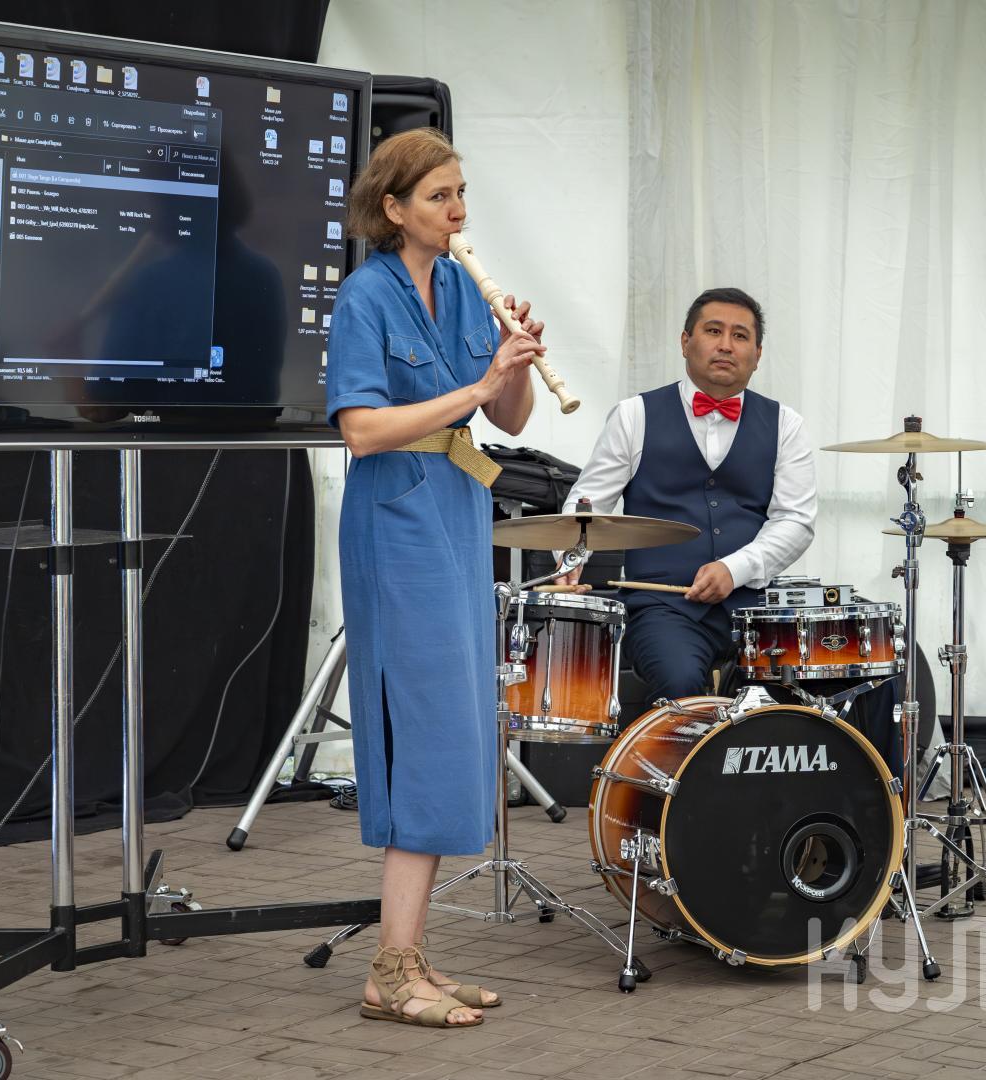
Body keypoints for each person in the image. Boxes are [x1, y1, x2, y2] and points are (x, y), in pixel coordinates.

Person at [326, 127, 544, 1029]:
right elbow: (362, 431)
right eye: (438, 196)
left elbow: (509, 418)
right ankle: (390, 966)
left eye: (460, 194)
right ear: (394, 208)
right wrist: (479, 385)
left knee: (455, 727)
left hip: (457, 508)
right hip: (396, 520)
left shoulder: (457, 284)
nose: (457, 211)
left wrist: (514, 363)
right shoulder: (364, 296)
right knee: (420, 730)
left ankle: (406, 958)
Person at [558, 287, 816, 701]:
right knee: (680, 682)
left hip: (754, 610)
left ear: (757, 354)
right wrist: (569, 559)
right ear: (685, 341)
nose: (726, 345)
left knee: (806, 690)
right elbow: (588, 503)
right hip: (661, 609)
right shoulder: (634, 415)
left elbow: (796, 521)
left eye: (740, 336)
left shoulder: (787, 424)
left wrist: (735, 568)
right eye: (713, 331)